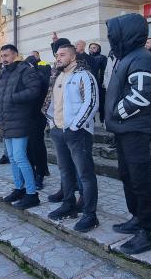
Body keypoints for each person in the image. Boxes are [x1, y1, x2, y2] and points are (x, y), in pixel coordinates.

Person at [105, 13, 151, 255]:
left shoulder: (142, 57)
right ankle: (137, 218)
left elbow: (142, 94)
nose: (111, 38)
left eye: (114, 33)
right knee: (127, 176)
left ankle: (146, 232)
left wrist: (116, 113)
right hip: (124, 129)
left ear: (126, 33)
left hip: (135, 129)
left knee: (140, 180)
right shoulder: (128, 56)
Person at [43, 44, 99, 232]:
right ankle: (69, 204)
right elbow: (51, 104)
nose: (58, 58)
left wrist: (75, 127)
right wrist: (52, 124)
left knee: (85, 175)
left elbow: (91, 103)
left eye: (62, 55)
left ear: (73, 57)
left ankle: (90, 215)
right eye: (57, 55)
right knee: (65, 171)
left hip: (78, 133)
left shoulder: (84, 76)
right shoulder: (57, 76)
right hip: (58, 131)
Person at [0, 44, 42, 210]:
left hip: (20, 121)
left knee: (20, 157)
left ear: (15, 55)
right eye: (2, 56)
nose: (4, 59)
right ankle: (19, 188)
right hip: (6, 121)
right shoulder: (2, 73)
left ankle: (32, 194)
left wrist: (13, 97)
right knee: (12, 157)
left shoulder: (25, 70)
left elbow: (34, 90)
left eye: (7, 55)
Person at [24, 55, 50, 190]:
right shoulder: (26, 78)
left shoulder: (40, 77)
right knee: (28, 146)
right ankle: (33, 172)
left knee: (37, 145)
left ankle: (40, 173)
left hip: (38, 116)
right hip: (26, 117)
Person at [88, 42, 107, 124]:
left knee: (102, 102)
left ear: (98, 49)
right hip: (89, 83)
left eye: (94, 47)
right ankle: (92, 120)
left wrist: (103, 81)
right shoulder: (87, 58)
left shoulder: (102, 58)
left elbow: (105, 70)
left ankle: (103, 119)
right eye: (90, 48)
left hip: (99, 83)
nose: (92, 49)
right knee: (90, 101)